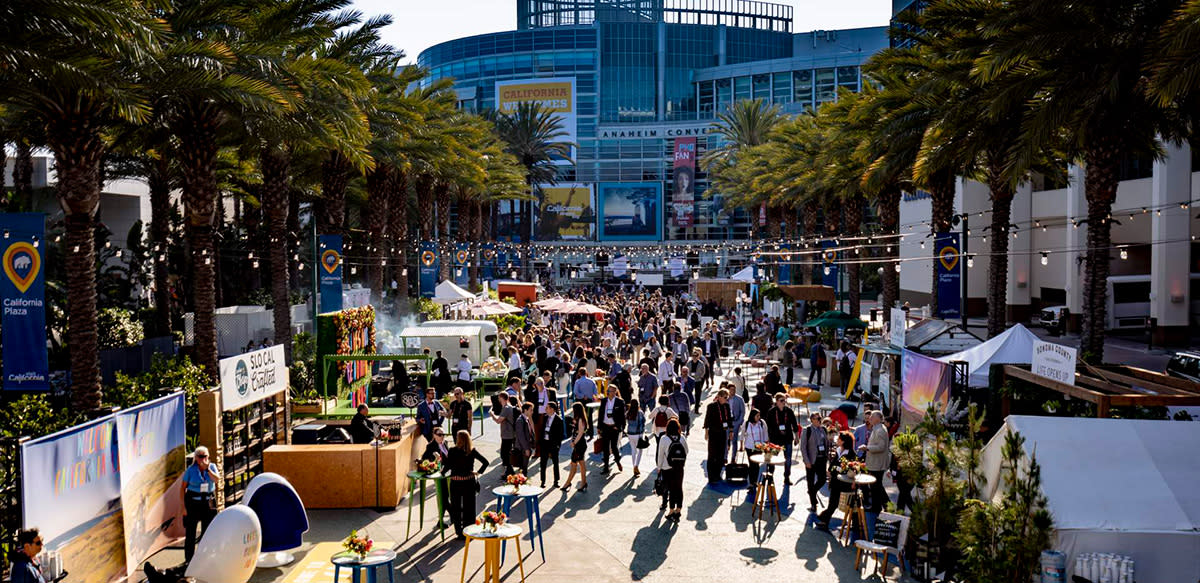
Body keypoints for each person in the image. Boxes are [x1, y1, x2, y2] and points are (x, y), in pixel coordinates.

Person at [445, 430, 489, 540]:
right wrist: (478, 472)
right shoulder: (472, 451)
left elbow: (448, 466)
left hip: (456, 482)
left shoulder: (452, 451)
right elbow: (485, 462)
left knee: (456, 507)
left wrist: (441, 473)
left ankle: (459, 532)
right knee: (469, 508)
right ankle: (469, 531)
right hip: (469, 482)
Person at [181, 446, 220, 560]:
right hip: (193, 502)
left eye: (205, 456)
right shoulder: (190, 470)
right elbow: (182, 488)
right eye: (200, 456)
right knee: (191, 532)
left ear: (208, 457)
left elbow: (217, 480)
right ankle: (189, 559)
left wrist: (208, 469)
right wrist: (183, 507)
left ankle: (205, 557)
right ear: (196, 458)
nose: (203, 459)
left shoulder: (212, 467)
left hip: (208, 502)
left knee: (208, 531)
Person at [815, 432, 857, 529]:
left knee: (850, 505)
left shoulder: (851, 454)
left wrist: (834, 470)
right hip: (835, 481)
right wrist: (830, 470)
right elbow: (833, 464)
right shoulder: (838, 450)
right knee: (833, 502)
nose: (837, 440)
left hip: (845, 483)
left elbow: (851, 469)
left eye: (839, 439)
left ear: (843, 442)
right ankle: (824, 520)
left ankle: (855, 524)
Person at [764, 393, 800, 483]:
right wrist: (767, 438)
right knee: (771, 459)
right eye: (781, 400)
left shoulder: (789, 411)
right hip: (774, 439)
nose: (784, 402)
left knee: (788, 459)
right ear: (776, 402)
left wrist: (797, 437)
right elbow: (767, 426)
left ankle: (787, 477)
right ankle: (770, 475)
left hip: (787, 438)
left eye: (785, 400)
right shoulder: (771, 412)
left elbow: (795, 425)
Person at [656, 419, 688, 522]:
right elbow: (686, 451)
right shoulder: (682, 437)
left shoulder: (664, 438)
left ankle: (671, 510)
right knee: (679, 488)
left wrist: (659, 467)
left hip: (667, 467)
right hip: (679, 467)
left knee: (671, 489)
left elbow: (660, 454)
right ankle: (678, 510)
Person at [860, 411, 891, 513]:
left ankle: (878, 507)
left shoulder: (880, 430)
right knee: (876, 486)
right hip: (875, 463)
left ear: (878, 418)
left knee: (876, 487)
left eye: (872, 417)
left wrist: (867, 448)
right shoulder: (877, 428)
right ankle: (884, 505)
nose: (870, 418)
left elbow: (881, 447)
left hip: (877, 464)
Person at [800, 412, 829, 512]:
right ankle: (813, 503)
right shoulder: (807, 430)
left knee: (822, 479)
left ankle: (812, 492)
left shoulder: (823, 429)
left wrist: (827, 456)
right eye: (817, 418)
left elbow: (827, 444)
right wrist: (806, 461)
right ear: (812, 419)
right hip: (812, 460)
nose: (820, 420)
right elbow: (803, 447)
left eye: (820, 418)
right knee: (810, 481)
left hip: (822, 458)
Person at [703, 389, 732, 483]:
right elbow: (707, 419)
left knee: (720, 455)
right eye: (725, 398)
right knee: (712, 455)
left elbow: (729, 419)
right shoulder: (711, 406)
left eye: (727, 398)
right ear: (719, 397)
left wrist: (731, 431)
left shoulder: (727, 406)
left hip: (723, 433)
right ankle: (711, 476)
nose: (726, 400)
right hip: (713, 433)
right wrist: (706, 432)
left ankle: (717, 474)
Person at [562, 402, 591, 492]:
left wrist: (574, 442)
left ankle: (569, 483)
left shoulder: (581, 420)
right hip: (579, 445)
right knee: (579, 463)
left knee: (575, 463)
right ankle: (582, 483)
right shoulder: (578, 419)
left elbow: (581, 433)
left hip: (580, 445)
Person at [598, 385, 626, 474]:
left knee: (614, 447)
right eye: (610, 391)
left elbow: (622, 416)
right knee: (605, 448)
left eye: (613, 391)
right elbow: (600, 414)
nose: (612, 393)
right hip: (605, 427)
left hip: (614, 428)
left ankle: (617, 461)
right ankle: (606, 467)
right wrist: (599, 427)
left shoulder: (620, 402)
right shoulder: (604, 401)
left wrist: (619, 427)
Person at [742, 409, 769, 497]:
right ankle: (751, 482)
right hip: (749, 447)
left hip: (758, 447)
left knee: (756, 464)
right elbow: (742, 434)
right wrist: (741, 445)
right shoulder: (747, 424)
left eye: (759, 416)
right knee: (751, 464)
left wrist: (766, 444)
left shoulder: (762, 423)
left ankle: (754, 482)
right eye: (757, 416)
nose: (758, 417)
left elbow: (765, 433)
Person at [490, 392, 517, 476]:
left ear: (502, 398)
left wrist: (492, 414)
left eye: (499, 398)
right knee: (505, 453)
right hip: (508, 433)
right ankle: (508, 471)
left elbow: (498, 421)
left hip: (507, 434)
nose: (498, 399)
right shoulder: (507, 407)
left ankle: (510, 471)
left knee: (505, 454)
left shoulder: (506, 408)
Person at [540, 402, 565, 487]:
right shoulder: (545, 417)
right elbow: (542, 430)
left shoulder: (559, 420)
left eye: (547, 408)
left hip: (553, 444)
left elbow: (560, 435)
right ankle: (542, 481)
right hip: (545, 443)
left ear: (552, 409)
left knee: (555, 463)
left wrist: (558, 446)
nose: (545, 409)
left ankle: (556, 481)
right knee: (543, 463)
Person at [572, 367, 598, 437]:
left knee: (580, 416)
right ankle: (591, 433)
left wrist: (583, 396)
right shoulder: (592, 381)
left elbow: (575, 392)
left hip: (580, 401)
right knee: (589, 417)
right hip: (589, 401)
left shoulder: (578, 381)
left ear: (579, 373)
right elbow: (595, 392)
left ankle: (580, 432)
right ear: (586, 373)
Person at [625, 399, 647, 477]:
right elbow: (644, 421)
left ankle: (634, 466)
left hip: (630, 434)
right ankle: (636, 466)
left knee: (633, 450)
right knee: (640, 450)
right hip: (638, 434)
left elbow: (626, 420)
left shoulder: (628, 412)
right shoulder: (640, 412)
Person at [513, 402, 536, 475]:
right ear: (525, 410)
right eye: (531, 410)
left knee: (524, 466)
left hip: (527, 446)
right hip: (523, 448)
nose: (532, 412)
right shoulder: (520, 420)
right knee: (524, 467)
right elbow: (521, 436)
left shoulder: (526, 418)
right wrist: (526, 449)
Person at [726, 386, 747, 464]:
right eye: (731, 390)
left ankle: (733, 457)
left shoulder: (739, 399)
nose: (733, 391)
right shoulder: (725, 399)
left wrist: (739, 421)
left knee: (734, 441)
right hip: (727, 423)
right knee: (725, 440)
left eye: (734, 390)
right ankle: (725, 457)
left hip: (735, 422)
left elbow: (743, 411)